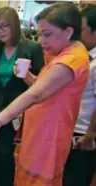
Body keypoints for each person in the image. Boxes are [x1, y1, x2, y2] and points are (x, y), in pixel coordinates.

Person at [0, 3, 90, 186]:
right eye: (40, 33)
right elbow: (41, 85)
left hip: (47, 132)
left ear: (68, 31)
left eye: (47, 34)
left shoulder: (69, 60)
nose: (42, 40)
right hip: (34, 125)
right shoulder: (61, 53)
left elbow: (36, 93)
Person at [0, 7, 44, 186]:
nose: (1, 31)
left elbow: (41, 87)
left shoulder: (32, 48)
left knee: (6, 149)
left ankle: (1, 182)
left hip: (19, 110)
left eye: (5, 26)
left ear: (15, 25)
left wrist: (27, 75)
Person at [63, 5, 96, 186]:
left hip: (84, 134)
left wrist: (90, 135)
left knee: (76, 179)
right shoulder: (84, 57)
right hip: (75, 128)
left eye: (81, 30)